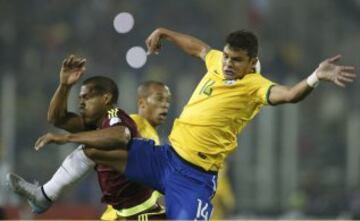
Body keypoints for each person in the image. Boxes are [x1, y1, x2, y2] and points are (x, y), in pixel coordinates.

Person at [18, 28, 356, 220]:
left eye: (236, 60)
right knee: (93, 148)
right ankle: (44, 196)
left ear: (251, 63)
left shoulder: (256, 86)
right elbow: (200, 49)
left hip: (194, 177)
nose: (227, 63)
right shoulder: (216, 63)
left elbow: (289, 95)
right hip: (166, 158)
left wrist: (314, 77)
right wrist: (164, 32)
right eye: (226, 56)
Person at [7, 55, 171, 220]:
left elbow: (121, 135)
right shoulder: (97, 125)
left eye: (87, 97)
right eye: (80, 98)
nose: (81, 103)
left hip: (142, 214)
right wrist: (65, 86)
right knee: (91, 143)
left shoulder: (115, 115)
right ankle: (44, 195)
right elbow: (57, 119)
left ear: (106, 98)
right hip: (125, 213)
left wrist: (68, 138)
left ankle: (45, 194)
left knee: (91, 147)